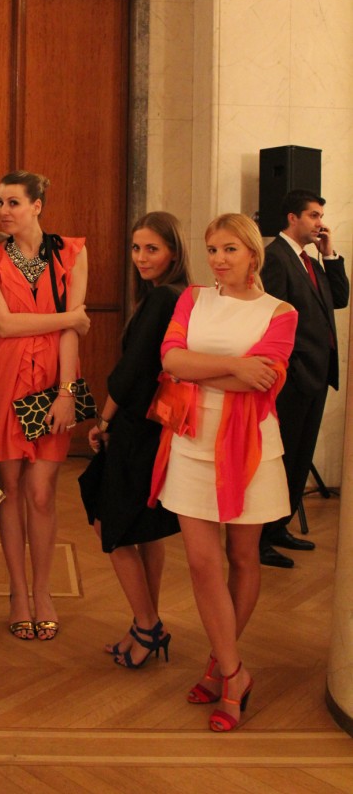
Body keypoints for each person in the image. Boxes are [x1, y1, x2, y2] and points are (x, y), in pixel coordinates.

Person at [148, 213, 297, 731]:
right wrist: (234, 365)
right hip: (191, 442)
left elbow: (264, 381)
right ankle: (235, 672)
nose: (218, 259)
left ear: (253, 253)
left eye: (230, 249)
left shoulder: (281, 313)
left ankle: (218, 665)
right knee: (201, 562)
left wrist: (202, 368)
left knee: (242, 556)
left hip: (250, 447)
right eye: (212, 249)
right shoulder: (193, 299)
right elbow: (171, 361)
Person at [0, 170, 90, 641]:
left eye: (13, 202)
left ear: (37, 205)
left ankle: (43, 592)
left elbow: (71, 334)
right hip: (2, 377)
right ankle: (17, 594)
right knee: (9, 488)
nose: (3, 211)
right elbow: (3, 325)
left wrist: (67, 392)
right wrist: (69, 317)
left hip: (52, 379)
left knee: (42, 492)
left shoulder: (72, 252)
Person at [83, 212, 191, 668]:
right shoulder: (180, 295)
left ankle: (147, 625)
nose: (141, 257)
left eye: (152, 249)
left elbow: (130, 373)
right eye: (136, 248)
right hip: (156, 427)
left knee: (110, 525)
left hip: (136, 426)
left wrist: (103, 420)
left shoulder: (163, 297)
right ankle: (145, 623)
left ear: (173, 252)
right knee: (144, 529)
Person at [259, 189, 349, 568]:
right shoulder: (276, 258)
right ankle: (260, 537)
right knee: (281, 458)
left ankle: (279, 526)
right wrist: (290, 369)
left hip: (317, 375)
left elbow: (340, 299)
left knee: (299, 457)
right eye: (313, 215)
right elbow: (271, 318)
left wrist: (330, 255)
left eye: (320, 216)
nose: (319, 223)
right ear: (292, 218)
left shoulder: (310, 260)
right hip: (293, 379)